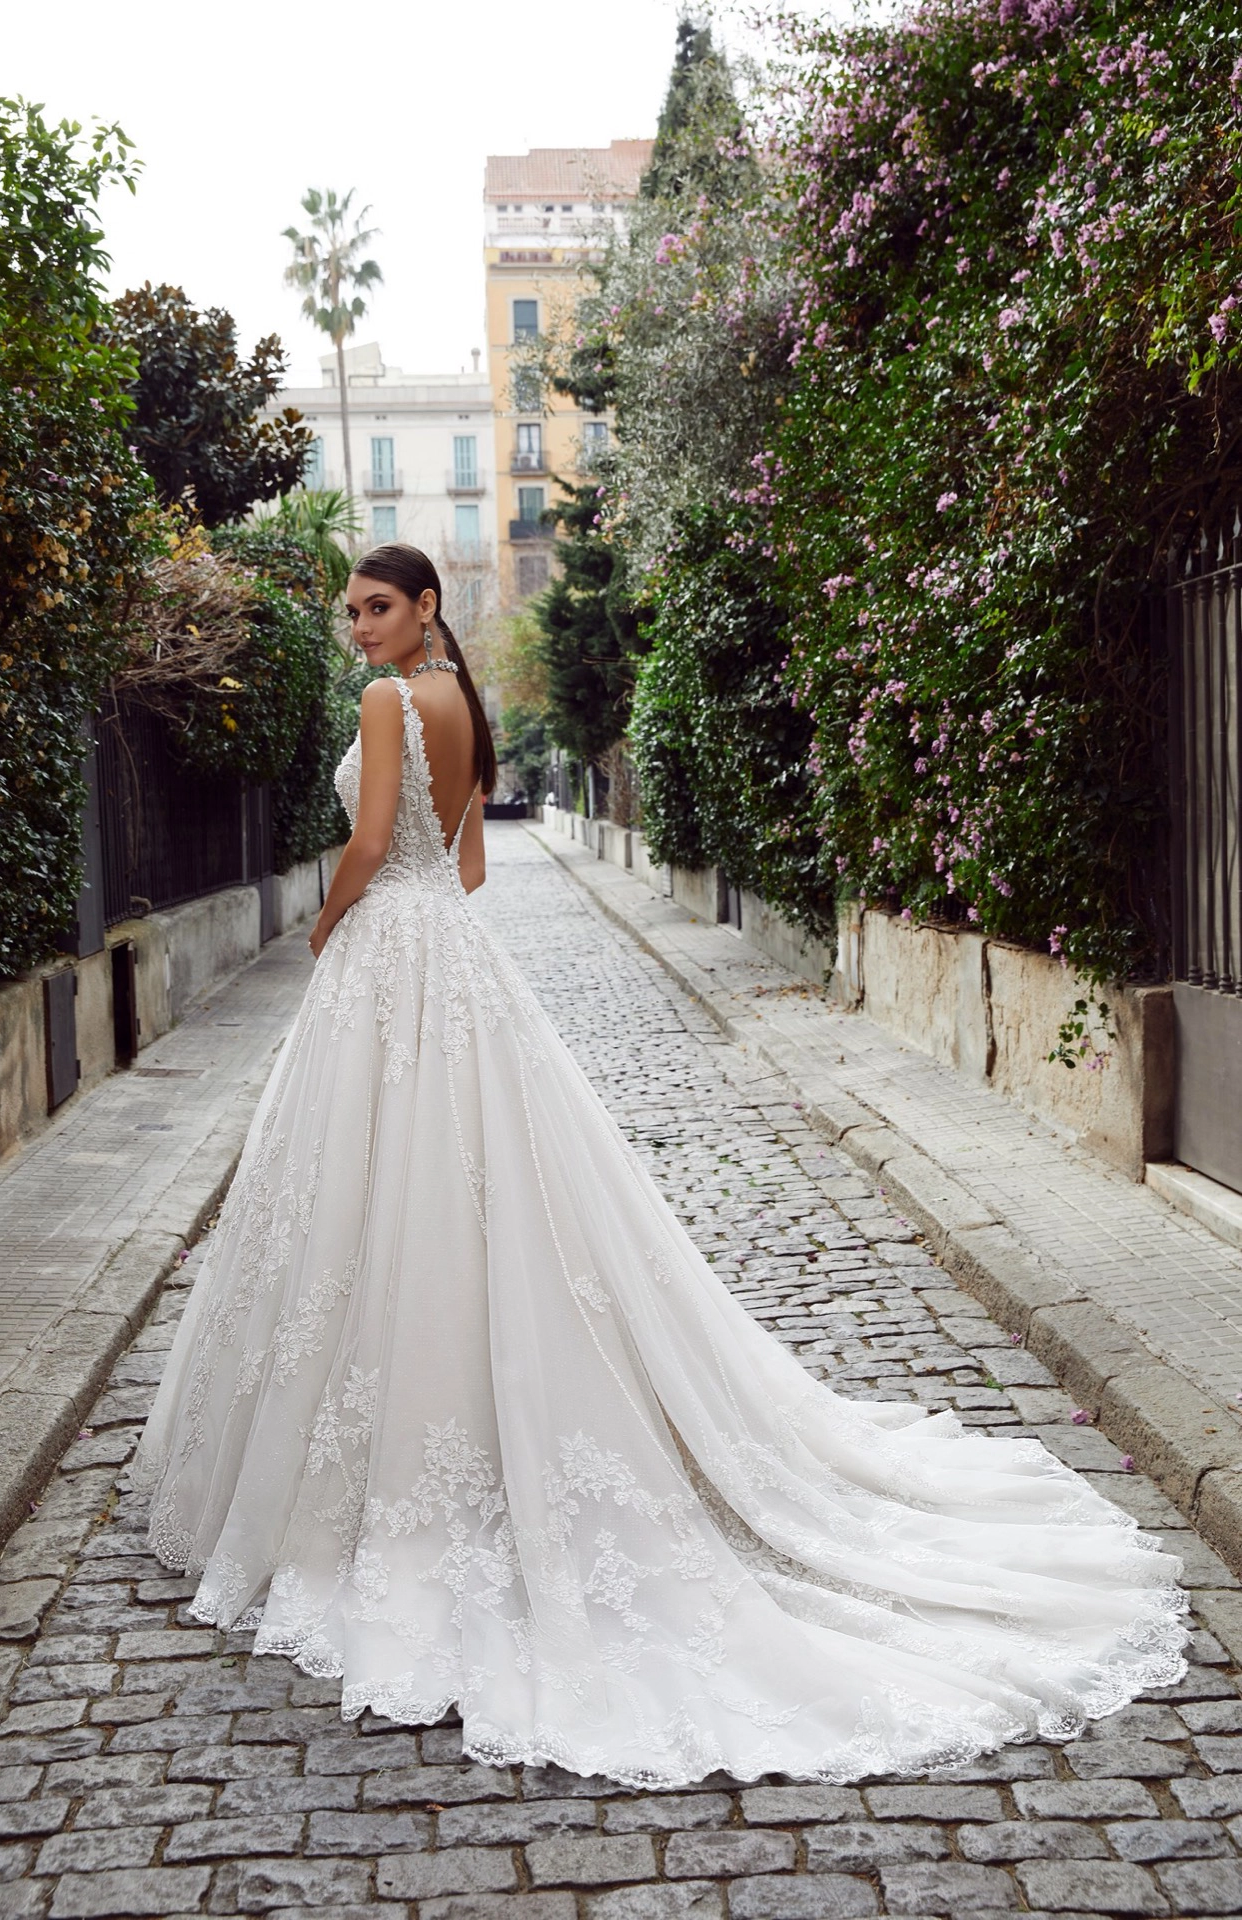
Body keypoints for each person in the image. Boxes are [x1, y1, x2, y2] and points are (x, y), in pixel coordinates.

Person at [134, 543, 1188, 1789]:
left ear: (424, 607)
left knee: (379, 1193)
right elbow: (465, 867)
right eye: (352, 611)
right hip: (454, 963)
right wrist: (407, 892)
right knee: (481, 1190)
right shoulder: (463, 699)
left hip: (386, 956)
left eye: (378, 606)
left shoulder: (384, 700)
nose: (359, 627)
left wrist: (328, 921)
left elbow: (371, 849)